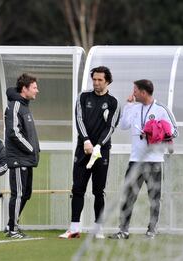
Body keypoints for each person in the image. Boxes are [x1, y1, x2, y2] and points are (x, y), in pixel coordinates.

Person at [109, 79, 178, 240]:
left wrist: (157, 132)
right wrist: (127, 106)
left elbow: (174, 131)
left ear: (143, 92)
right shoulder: (134, 108)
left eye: (135, 90)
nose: (133, 93)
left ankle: (152, 230)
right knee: (128, 195)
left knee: (154, 197)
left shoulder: (161, 109)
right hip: (135, 160)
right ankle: (123, 230)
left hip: (155, 160)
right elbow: (124, 125)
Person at [59, 66, 120, 239]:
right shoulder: (83, 97)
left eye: (100, 80)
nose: (96, 82)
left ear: (107, 81)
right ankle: (74, 228)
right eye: (94, 79)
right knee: (78, 188)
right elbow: (79, 119)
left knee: (98, 191)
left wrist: (99, 146)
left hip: (102, 152)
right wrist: (86, 140)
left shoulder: (114, 102)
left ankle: (98, 228)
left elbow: (111, 127)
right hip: (83, 149)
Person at [4, 73, 40, 239]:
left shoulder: (24, 105)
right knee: (18, 194)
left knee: (26, 194)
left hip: (27, 158)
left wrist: (33, 151)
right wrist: (30, 148)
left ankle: (11, 224)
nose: (37, 91)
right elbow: (13, 132)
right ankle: (13, 229)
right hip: (19, 158)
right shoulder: (15, 105)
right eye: (34, 87)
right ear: (24, 89)